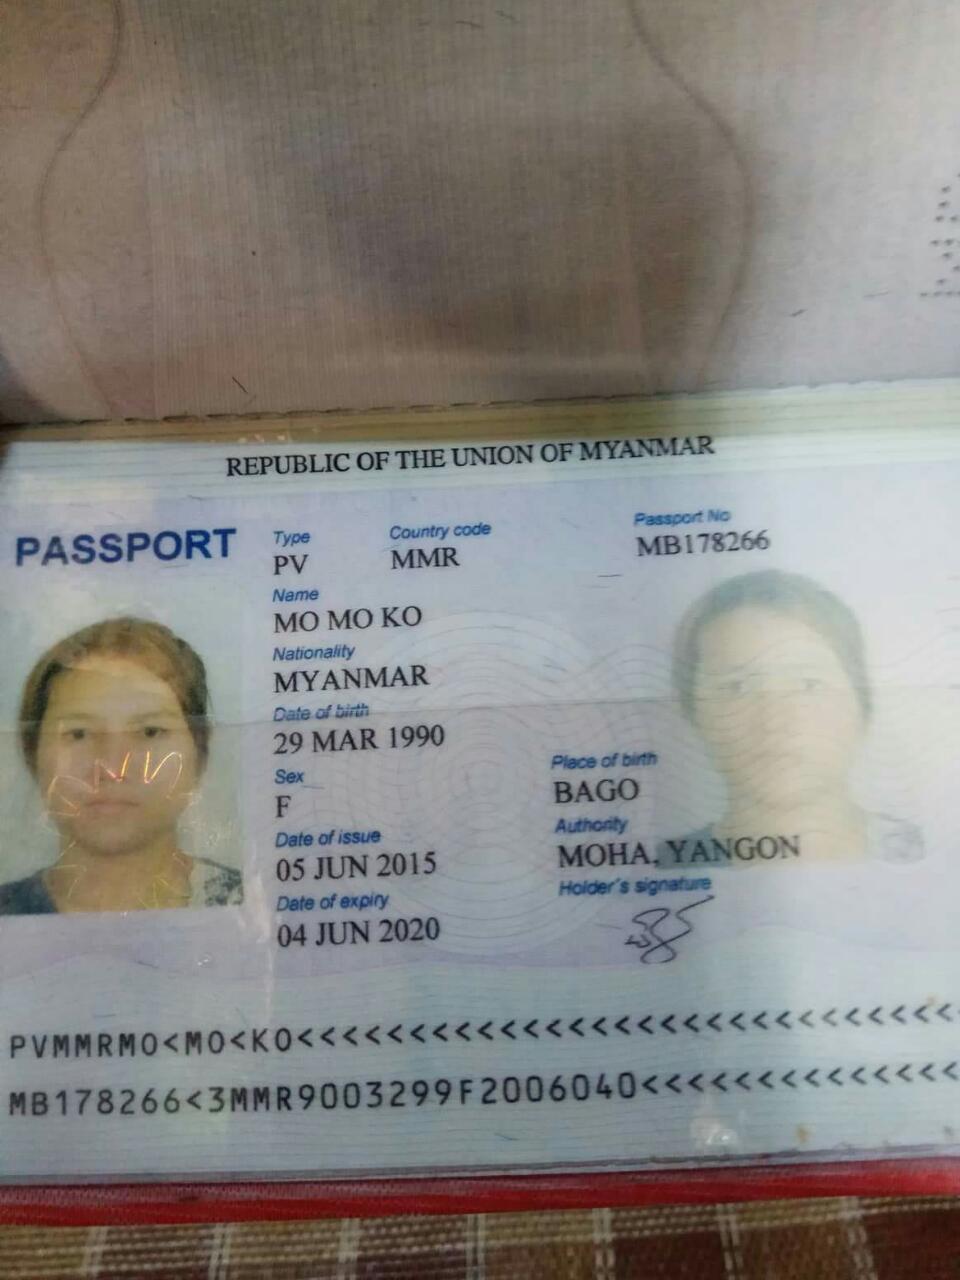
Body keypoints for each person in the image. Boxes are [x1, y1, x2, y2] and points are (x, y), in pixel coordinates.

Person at [660, 570, 922, 866]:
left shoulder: (938, 854)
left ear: (863, 707)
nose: (774, 721)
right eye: (737, 687)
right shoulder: (659, 871)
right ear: (692, 712)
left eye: (808, 684)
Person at [0, 617, 242, 914]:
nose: (113, 767)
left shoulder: (258, 907)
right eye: (79, 733)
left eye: (150, 732)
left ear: (199, 752)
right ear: (31, 752)